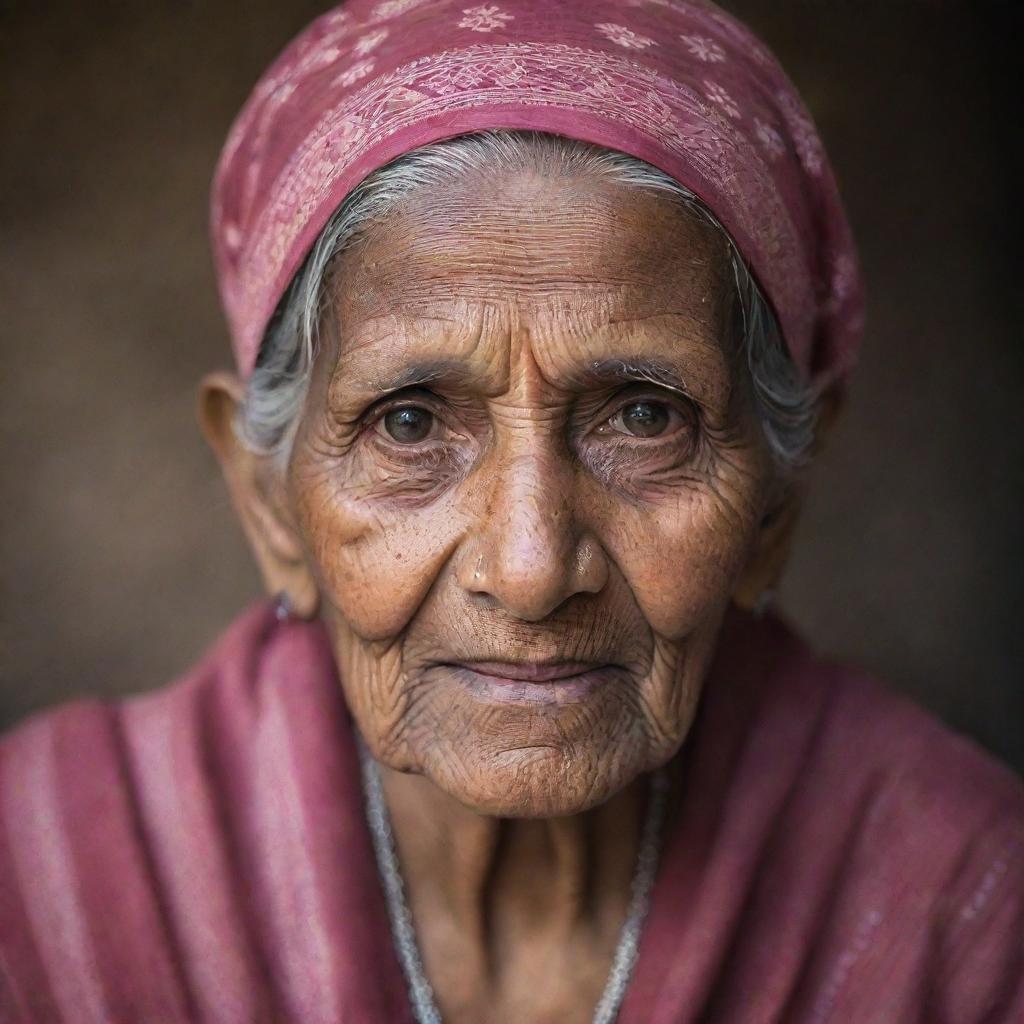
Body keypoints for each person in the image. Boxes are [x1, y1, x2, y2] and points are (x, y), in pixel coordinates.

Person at [1, 1, 1021, 1021]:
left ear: (772, 506)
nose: (530, 569)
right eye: (407, 424)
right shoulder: (43, 888)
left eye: (641, 416)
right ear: (268, 498)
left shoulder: (967, 915)